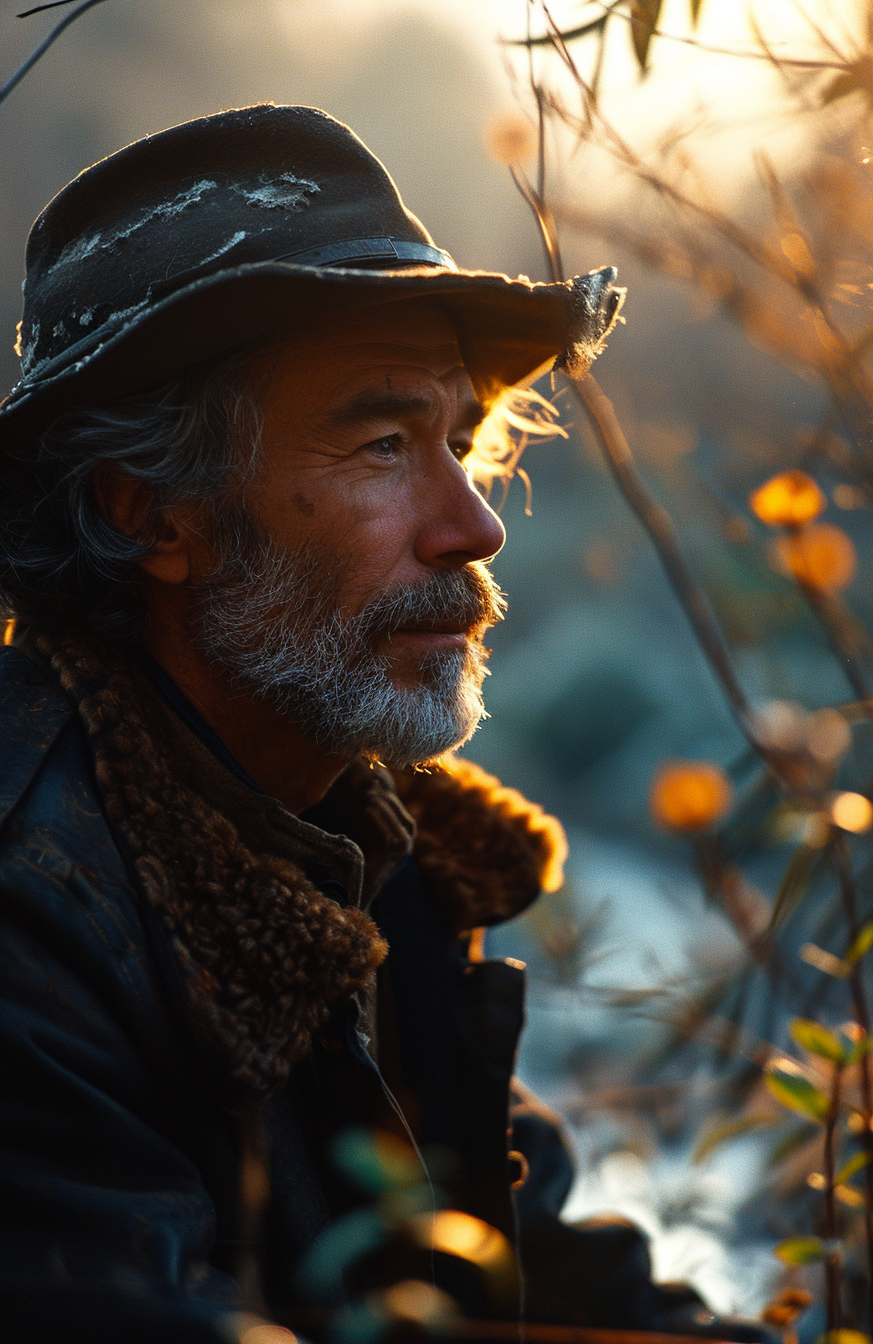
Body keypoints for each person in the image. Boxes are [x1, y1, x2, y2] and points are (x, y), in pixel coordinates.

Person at [0, 103, 759, 1344]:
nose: (475, 524)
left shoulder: (377, 850)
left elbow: (511, 1258)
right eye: (383, 442)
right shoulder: (33, 909)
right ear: (150, 515)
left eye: (462, 441)